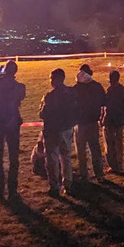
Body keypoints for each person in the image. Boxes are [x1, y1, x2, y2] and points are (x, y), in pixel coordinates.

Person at [0, 59, 25, 202]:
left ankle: (0, 190)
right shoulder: (20, 87)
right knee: (13, 158)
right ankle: (13, 190)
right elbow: (20, 97)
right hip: (13, 124)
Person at [39, 68, 77, 197]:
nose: (50, 81)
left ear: (56, 80)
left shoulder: (50, 96)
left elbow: (43, 114)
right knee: (66, 158)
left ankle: (54, 186)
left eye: (51, 78)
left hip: (53, 130)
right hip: (66, 129)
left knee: (52, 159)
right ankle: (68, 185)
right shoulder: (71, 93)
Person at [73, 64, 107, 182]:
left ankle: (84, 175)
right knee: (95, 149)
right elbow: (104, 102)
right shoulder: (97, 86)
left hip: (80, 124)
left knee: (81, 151)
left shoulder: (76, 88)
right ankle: (99, 174)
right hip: (93, 122)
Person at [102, 69, 124, 173]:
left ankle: (113, 166)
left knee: (109, 144)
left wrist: (103, 119)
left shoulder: (109, 91)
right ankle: (119, 164)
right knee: (118, 143)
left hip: (110, 121)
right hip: (120, 120)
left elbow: (106, 107)